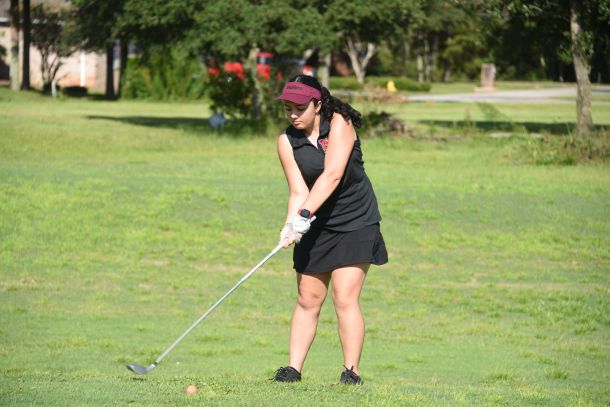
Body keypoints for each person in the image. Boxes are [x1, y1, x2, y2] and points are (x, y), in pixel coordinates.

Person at [272, 75, 388, 385]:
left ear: (317, 104)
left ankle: (351, 372)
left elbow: (333, 175)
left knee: (344, 297)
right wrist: (290, 225)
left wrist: (303, 215)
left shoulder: (339, 122)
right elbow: (298, 191)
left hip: (355, 220)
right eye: (287, 108)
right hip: (315, 223)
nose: (293, 114)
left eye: (299, 108)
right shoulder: (286, 141)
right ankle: (292, 370)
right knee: (307, 298)